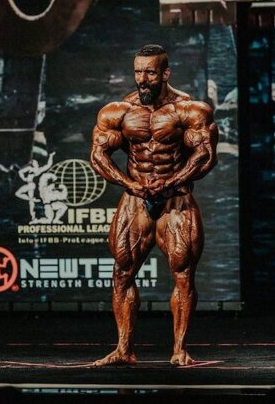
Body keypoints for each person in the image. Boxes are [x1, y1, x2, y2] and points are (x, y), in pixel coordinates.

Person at [90, 44, 218, 366]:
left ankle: (179, 350)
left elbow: (205, 156)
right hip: (136, 199)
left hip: (176, 199)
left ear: (165, 73)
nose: (142, 79)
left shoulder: (189, 110)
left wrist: (173, 180)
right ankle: (124, 349)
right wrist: (129, 183)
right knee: (122, 272)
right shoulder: (118, 111)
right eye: (138, 72)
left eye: (149, 72)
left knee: (183, 273)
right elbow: (98, 156)